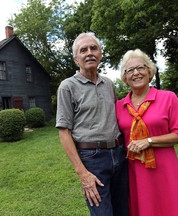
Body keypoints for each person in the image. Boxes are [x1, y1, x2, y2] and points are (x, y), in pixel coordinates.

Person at [56, 32, 128, 216]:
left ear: (100, 55)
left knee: (124, 211)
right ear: (76, 59)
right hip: (92, 159)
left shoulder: (108, 83)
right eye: (83, 50)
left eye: (93, 48)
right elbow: (64, 132)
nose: (89, 53)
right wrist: (82, 173)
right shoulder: (67, 86)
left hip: (120, 155)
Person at [116, 48, 178, 216]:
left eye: (141, 68)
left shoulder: (168, 97)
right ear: (125, 78)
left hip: (164, 168)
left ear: (149, 71)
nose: (136, 73)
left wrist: (149, 141)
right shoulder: (119, 106)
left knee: (170, 207)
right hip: (134, 170)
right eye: (130, 70)